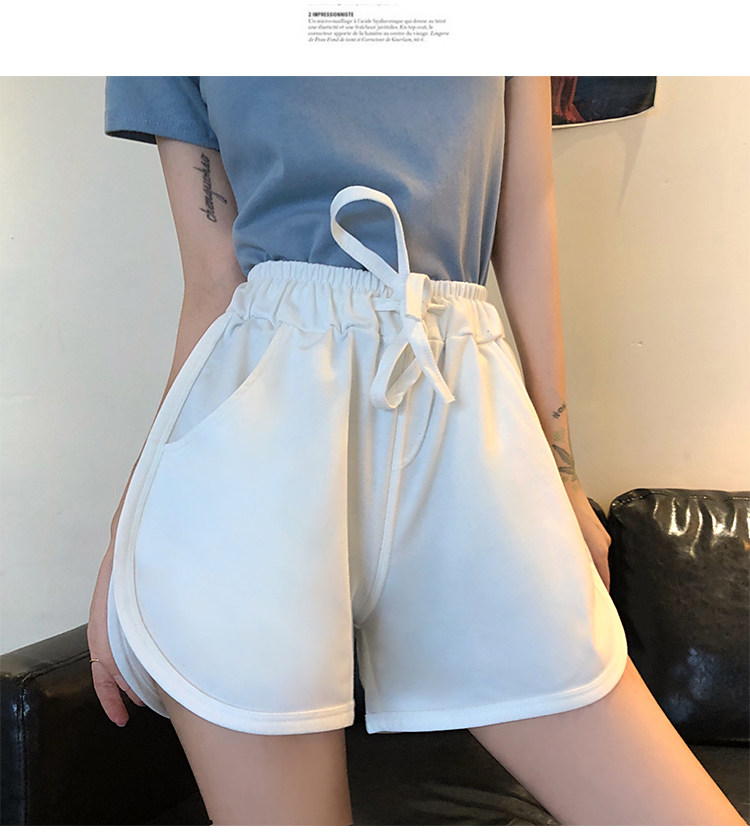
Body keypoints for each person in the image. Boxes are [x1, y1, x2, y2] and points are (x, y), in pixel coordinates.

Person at [87, 76, 746, 826]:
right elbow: (212, 280)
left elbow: (527, 215)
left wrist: (562, 473)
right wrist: (125, 536)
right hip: (257, 450)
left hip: (459, 407)